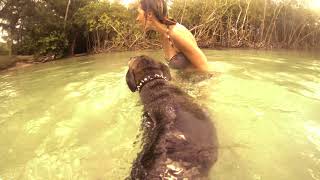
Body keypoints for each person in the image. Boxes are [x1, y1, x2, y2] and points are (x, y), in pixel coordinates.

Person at [136, 0, 209, 72]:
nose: (137, 19)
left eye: (139, 13)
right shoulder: (163, 35)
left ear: (149, 14)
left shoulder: (176, 34)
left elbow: (205, 69)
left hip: (198, 82)